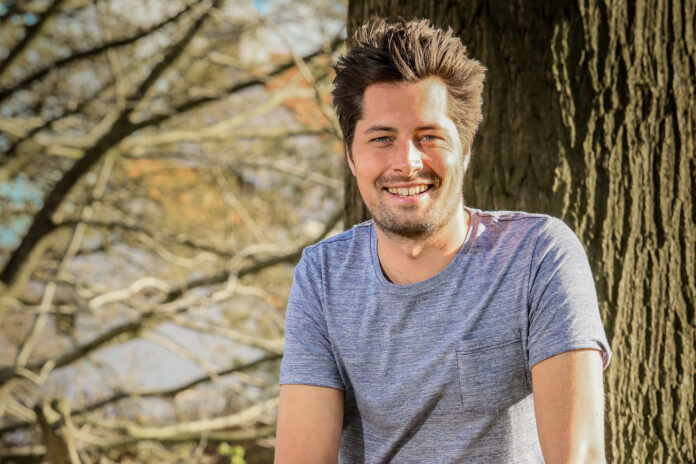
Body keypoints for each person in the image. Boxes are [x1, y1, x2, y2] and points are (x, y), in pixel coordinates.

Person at [275, 18, 611, 464]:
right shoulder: (323, 277)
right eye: (382, 138)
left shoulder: (538, 255)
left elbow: (578, 457)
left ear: (465, 150)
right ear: (352, 158)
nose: (407, 162)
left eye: (429, 136)